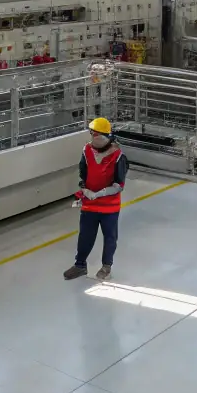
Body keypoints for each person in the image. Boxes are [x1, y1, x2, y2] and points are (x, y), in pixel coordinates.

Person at [64, 117, 129, 281]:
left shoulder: (118, 156)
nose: (92, 136)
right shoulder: (86, 151)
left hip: (109, 206)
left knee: (110, 236)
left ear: (104, 136)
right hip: (89, 204)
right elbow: (83, 173)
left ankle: (106, 266)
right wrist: (84, 189)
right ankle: (80, 265)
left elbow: (119, 185)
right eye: (91, 133)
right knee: (85, 235)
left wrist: (99, 193)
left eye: (95, 133)